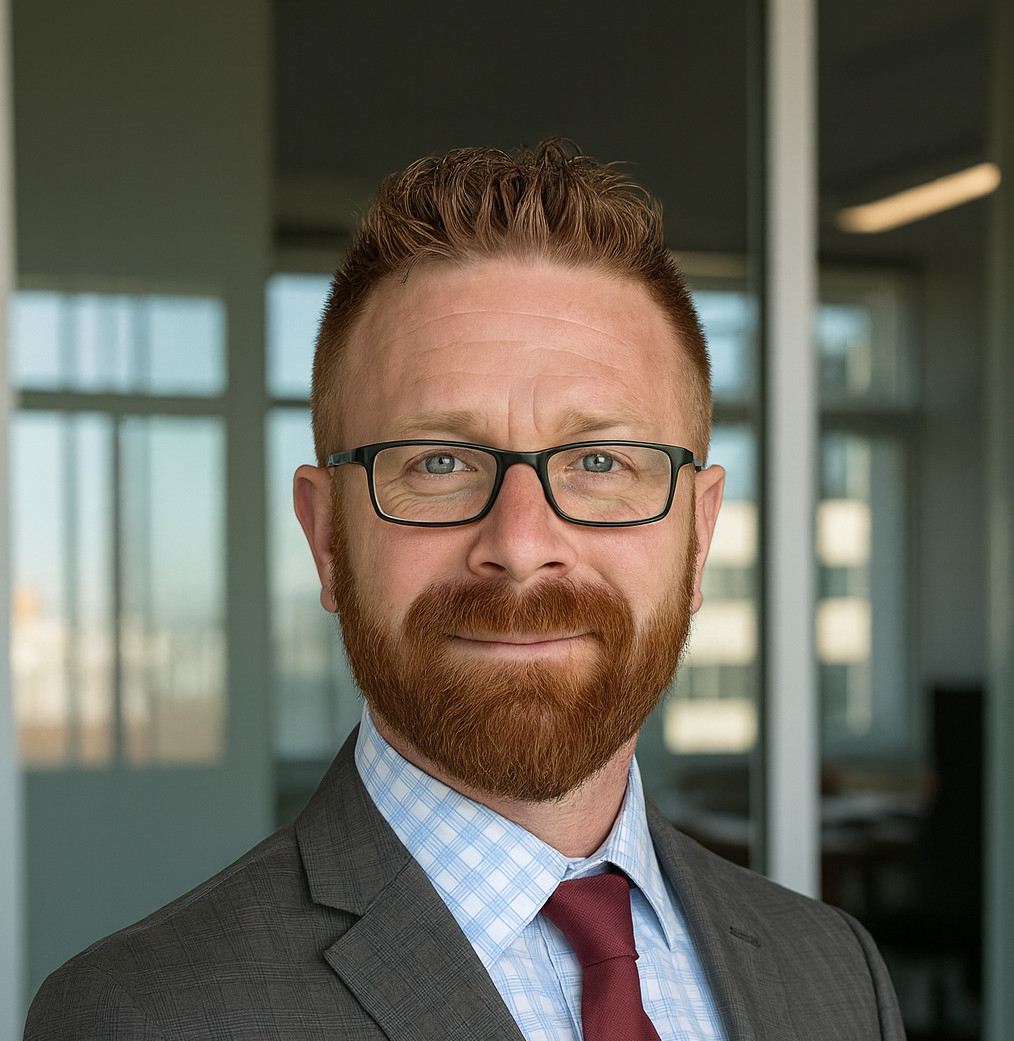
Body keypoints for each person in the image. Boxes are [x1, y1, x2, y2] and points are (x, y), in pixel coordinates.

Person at [25, 141, 905, 1040]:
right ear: (326, 537)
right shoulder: (145, 1016)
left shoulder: (834, 973)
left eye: (601, 461)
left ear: (699, 533)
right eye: (438, 462)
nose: (521, 547)